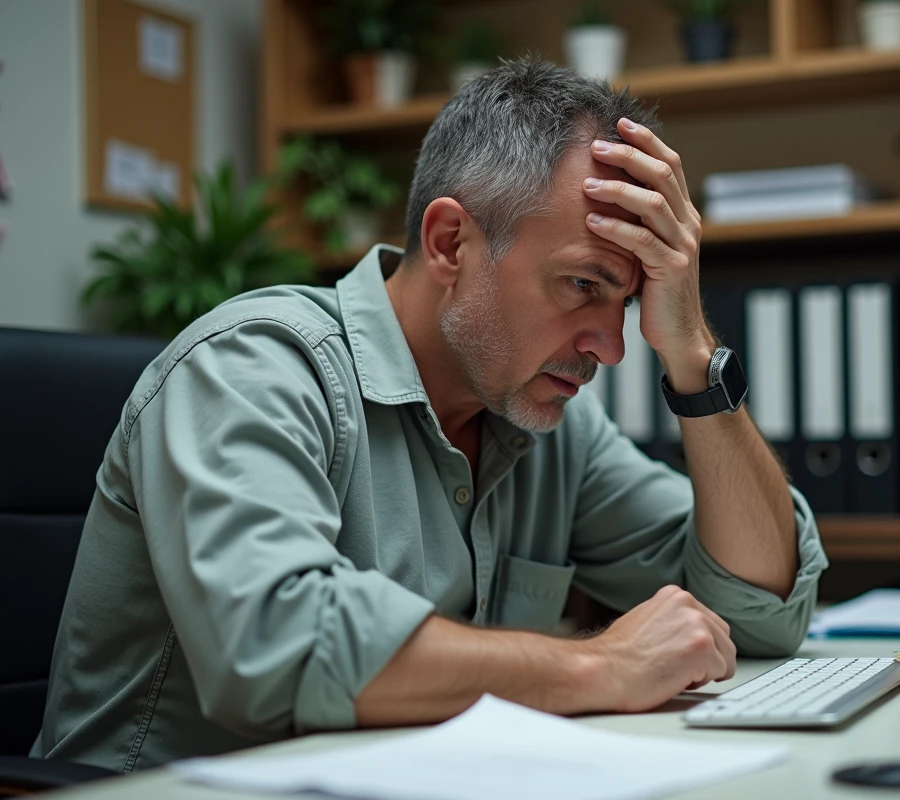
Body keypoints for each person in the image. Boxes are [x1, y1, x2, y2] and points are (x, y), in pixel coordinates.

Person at [34, 58, 828, 772]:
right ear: (451, 242)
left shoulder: (549, 425)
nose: (612, 348)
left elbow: (758, 612)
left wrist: (693, 358)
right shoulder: (254, 366)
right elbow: (273, 648)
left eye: (630, 301)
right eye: (584, 286)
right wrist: (600, 665)